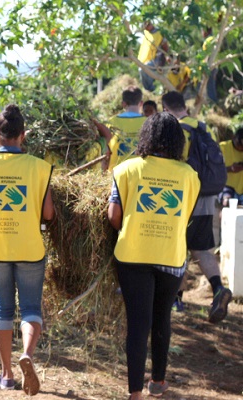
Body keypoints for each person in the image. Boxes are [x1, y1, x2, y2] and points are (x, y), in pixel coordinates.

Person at [108, 112, 200, 400]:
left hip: (132, 255)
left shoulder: (126, 169)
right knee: (162, 319)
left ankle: (135, 393)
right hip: (171, 257)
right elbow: (185, 217)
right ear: (177, 142)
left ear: (146, 137)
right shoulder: (189, 176)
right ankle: (158, 382)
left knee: (138, 323)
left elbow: (113, 216)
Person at [0, 104, 55, 396]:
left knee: (2, 308)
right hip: (30, 247)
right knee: (30, 308)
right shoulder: (40, 168)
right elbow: (48, 214)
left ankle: (6, 374)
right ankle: (27, 354)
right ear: (24, 135)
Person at [162, 91, 232, 322]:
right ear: (184, 106)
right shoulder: (203, 127)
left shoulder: (178, 129)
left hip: (185, 197)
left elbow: (176, 164)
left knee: (178, 247)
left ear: (165, 109)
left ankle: (176, 299)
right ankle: (219, 289)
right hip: (206, 197)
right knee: (201, 248)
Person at [94, 86, 147, 171]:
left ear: (123, 104)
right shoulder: (148, 123)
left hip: (115, 174)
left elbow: (104, 151)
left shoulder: (110, 123)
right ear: (141, 103)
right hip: (141, 173)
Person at [138, 21, 169, 92]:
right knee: (142, 70)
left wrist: (162, 60)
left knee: (143, 69)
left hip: (157, 60)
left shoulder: (160, 33)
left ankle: (151, 90)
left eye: (147, 25)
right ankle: (147, 90)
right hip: (146, 60)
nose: (146, 27)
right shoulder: (147, 33)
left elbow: (166, 48)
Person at [218, 127, 243, 206]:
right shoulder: (222, 147)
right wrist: (229, 169)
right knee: (226, 203)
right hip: (226, 186)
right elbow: (214, 170)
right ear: (234, 137)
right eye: (238, 144)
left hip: (241, 188)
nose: (240, 148)